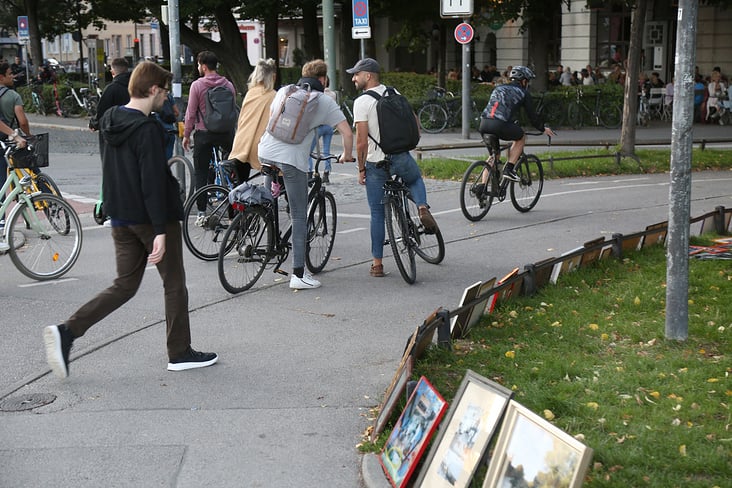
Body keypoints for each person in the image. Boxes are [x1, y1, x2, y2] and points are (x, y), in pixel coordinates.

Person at [43, 61, 218, 379]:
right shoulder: (146, 129)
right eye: (164, 91)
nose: (166, 98)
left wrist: (110, 208)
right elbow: (151, 181)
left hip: (121, 217)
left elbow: (111, 170)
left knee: (124, 285)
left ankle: (67, 332)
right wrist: (161, 231)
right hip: (152, 219)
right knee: (175, 283)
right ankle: (180, 352)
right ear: (153, 89)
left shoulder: (111, 119)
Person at [258, 59, 354, 289]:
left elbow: (274, 117)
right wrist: (347, 155)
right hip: (291, 160)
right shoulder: (324, 100)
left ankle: (264, 234)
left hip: (265, 151)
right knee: (299, 215)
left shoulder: (284, 91)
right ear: (323, 79)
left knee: (269, 199)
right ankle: (298, 275)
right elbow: (346, 132)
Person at [347, 57, 437, 278]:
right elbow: (413, 119)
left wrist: (361, 169)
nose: (353, 78)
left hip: (376, 163)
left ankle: (377, 264)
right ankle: (422, 207)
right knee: (414, 179)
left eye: (356, 74)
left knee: (377, 214)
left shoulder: (361, 102)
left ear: (368, 76)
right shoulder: (393, 92)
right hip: (400, 155)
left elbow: (360, 141)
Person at [478, 66, 555, 182]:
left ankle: (481, 188)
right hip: (499, 125)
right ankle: (509, 169)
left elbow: (500, 107)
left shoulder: (498, 88)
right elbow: (532, 117)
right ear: (524, 81)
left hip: (484, 124)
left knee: (494, 157)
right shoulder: (523, 93)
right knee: (521, 137)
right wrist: (542, 128)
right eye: (527, 81)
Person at [182, 51, 236, 218]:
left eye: (199, 65)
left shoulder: (197, 86)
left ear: (204, 67)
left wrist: (186, 135)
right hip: (226, 133)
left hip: (204, 133)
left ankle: (201, 211)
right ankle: (235, 206)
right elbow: (233, 109)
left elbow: (191, 113)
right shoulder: (228, 85)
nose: (198, 67)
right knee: (233, 169)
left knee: (201, 171)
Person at [227, 58, 277, 185]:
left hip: (242, 144)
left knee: (240, 187)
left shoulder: (251, 93)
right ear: (273, 77)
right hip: (261, 147)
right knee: (280, 175)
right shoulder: (273, 95)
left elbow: (242, 118)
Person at [0, 61, 32, 220]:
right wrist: (17, 135)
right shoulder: (13, 96)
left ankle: (1, 221)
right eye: (10, 73)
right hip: (6, 142)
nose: (13, 76)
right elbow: (23, 121)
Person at [308, 75, 337, 182]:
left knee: (308, 151)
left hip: (318, 126)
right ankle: (326, 172)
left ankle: (309, 171)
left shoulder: (317, 95)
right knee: (326, 151)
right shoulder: (332, 94)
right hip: (329, 125)